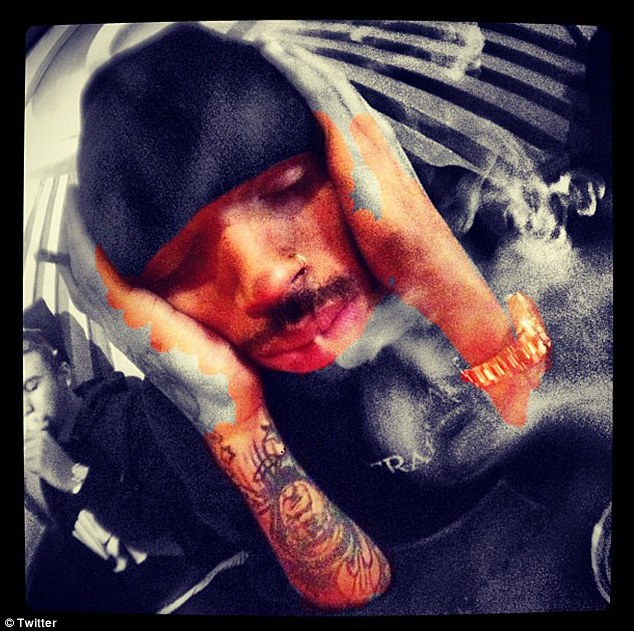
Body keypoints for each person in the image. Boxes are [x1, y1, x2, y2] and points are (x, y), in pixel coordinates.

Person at [60, 22, 611, 615]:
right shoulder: (198, 421)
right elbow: (355, 591)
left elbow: (534, 397)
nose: (268, 280)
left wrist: (434, 272)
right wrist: (231, 416)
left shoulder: (500, 221)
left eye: (285, 192)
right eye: (188, 266)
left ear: (344, 164)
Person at [22, 299, 267, 614]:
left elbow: (183, 534)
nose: (26, 407)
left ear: (64, 374)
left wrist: (75, 479)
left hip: (211, 581)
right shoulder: (49, 469)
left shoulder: (130, 415)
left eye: (32, 386)